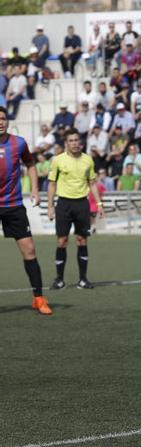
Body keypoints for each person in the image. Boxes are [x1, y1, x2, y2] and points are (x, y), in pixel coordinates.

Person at [0, 107, 52, 314]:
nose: (0, 122)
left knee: (29, 250)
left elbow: (30, 165)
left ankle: (38, 298)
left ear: (8, 121)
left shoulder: (18, 143)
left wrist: (35, 191)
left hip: (13, 205)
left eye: (3, 118)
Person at [47, 129, 103, 290]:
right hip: (64, 204)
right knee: (62, 241)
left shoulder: (88, 160)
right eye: (71, 140)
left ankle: (83, 279)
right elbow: (52, 184)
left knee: (82, 240)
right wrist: (50, 206)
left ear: (80, 142)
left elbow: (92, 183)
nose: (74, 143)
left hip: (81, 204)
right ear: (66, 143)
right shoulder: (58, 160)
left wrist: (99, 205)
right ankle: (59, 279)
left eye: (76, 140)